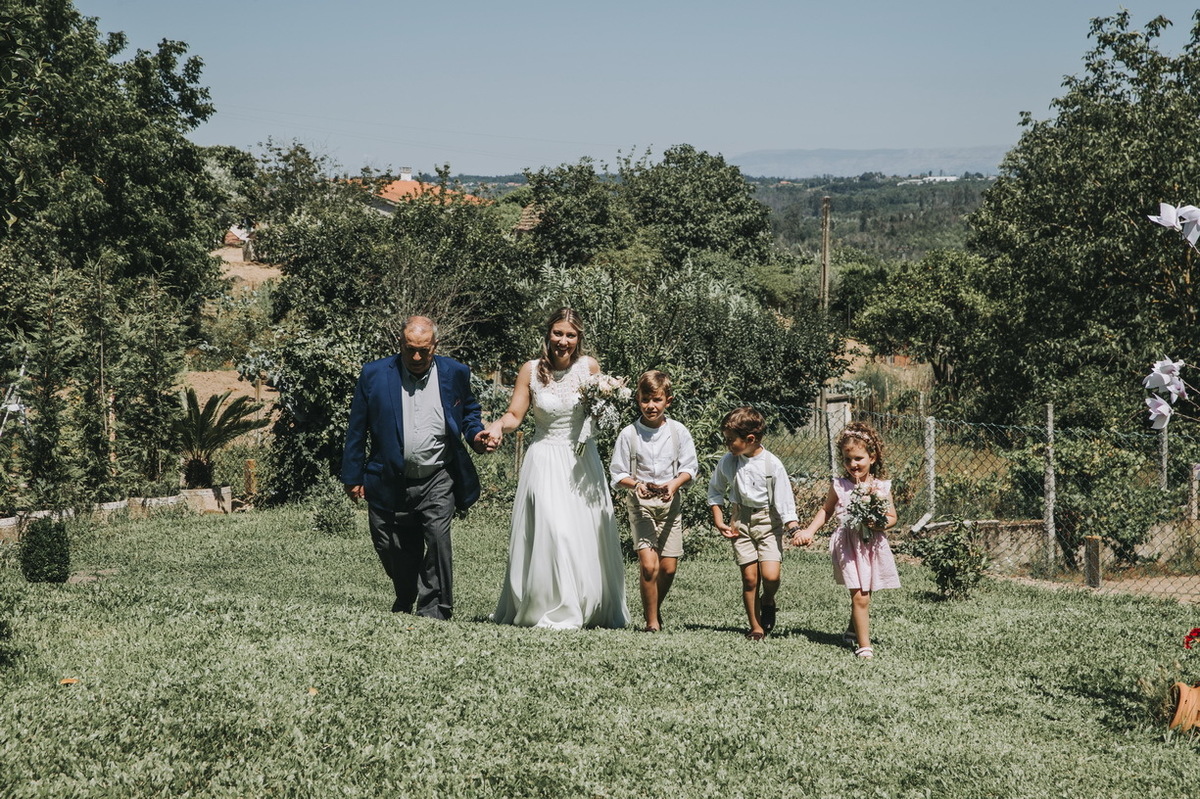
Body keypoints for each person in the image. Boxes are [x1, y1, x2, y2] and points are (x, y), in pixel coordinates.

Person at [341, 315, 494, 620]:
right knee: (391, 547)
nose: (415, 357)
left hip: (438, 474)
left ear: (435, 345)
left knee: (437, 538)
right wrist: (352, 475)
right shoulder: (374, 374)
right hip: (388, 477)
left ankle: (434, 610)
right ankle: (405, 593)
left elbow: (469, 412)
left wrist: (476, 434)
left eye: (423, 350)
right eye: (409, 349)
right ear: (400, 343)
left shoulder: (455, 372)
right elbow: (357, 428)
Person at [484, 308, 630, 629]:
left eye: (570, 335)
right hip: (544, 458)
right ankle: (551, 606)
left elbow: (597, 415)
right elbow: (514, 416)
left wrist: (607, 406)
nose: (563, 341)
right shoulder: (530, 370)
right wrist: (497, 426)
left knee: (580, 534)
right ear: (548, 334)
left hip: (581, 462)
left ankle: (585, 605)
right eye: (558, 333)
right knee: (553, 529)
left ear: (579, 338)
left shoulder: (589, 367)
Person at [792, 421, 899, 659]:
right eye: (847, 460)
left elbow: (892, 517)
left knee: (866, 593)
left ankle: (852, 629)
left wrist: (878, 523)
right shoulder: (840, 485)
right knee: (860, 596)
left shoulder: (880, 487)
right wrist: (809, 531)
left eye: (858, 458)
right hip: (848, 546)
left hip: (872, 545)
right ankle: (864, 646)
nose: (853, 464)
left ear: (872, 457)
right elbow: (826, 510)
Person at [609, 370, 699, 632]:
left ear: (668, 401)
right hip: (641, 505)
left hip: (670, 504)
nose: (651, 405)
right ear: (638, 399)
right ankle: (651, 623)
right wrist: (637, 485)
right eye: (645, 399)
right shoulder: (629, 434)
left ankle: (654, 607)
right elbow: (618, 473)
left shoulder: (678, 431)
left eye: (657, 400)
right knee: (649, 566)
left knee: (668, 568)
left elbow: (690, 467)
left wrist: (674, 484)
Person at [708, 406, 799, 641]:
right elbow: (715, 490)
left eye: (730, 440)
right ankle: (755, 626)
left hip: (769, 522)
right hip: (741, 521)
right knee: (750, 579)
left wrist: (793, 528)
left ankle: (767, 600)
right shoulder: (729, 461)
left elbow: (784, 500)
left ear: (750, 439)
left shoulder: (772, 464)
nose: (727, 444)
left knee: (771, 576)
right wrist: (718, 518)